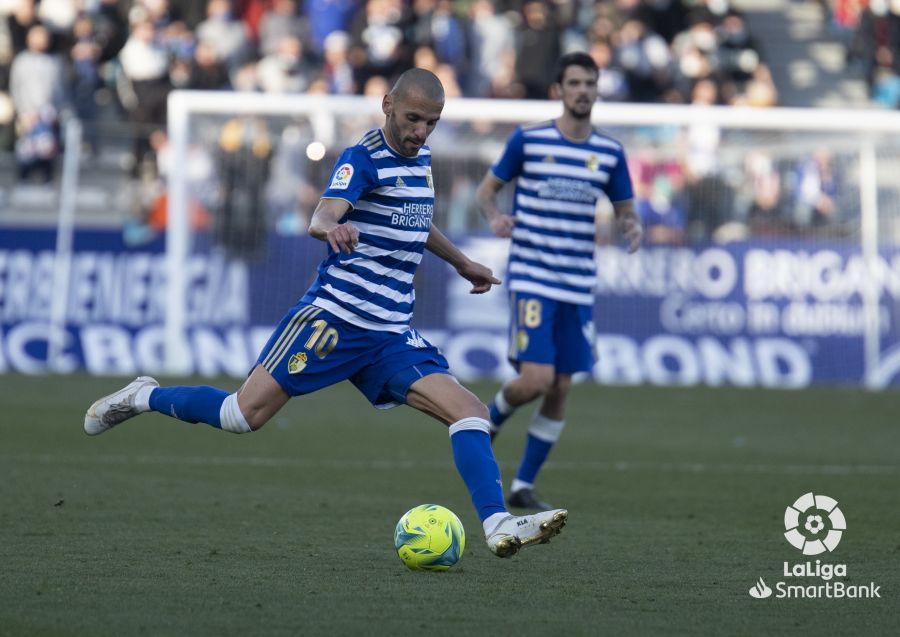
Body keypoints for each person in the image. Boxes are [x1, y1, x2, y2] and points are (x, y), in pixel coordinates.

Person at [83, 68, 567, 559]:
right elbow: (325, 211)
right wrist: (328, 228)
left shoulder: (420, 159)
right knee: (239, 416)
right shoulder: (362, 158)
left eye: (432, 122)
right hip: (333, 319)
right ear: (387, 105)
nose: (421, 131)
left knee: (470, 413)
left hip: (388, 333)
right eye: (413, 118)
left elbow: (417, 221)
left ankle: (498, 524)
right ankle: (144, 396)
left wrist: (462, 262)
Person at [475, 52, 642, 511]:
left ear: (598, 90)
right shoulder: (529, 140)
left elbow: (625, 206)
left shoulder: (608, 152)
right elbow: (486, 190)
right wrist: (494, 217)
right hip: (532, 275)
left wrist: (632, 225)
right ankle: (484, 425)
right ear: (559, 90)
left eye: (590, 83)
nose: (583, 90)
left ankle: (522, 484)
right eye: (574, 82)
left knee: (562, 386)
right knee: (536, 380)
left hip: (577, 284)